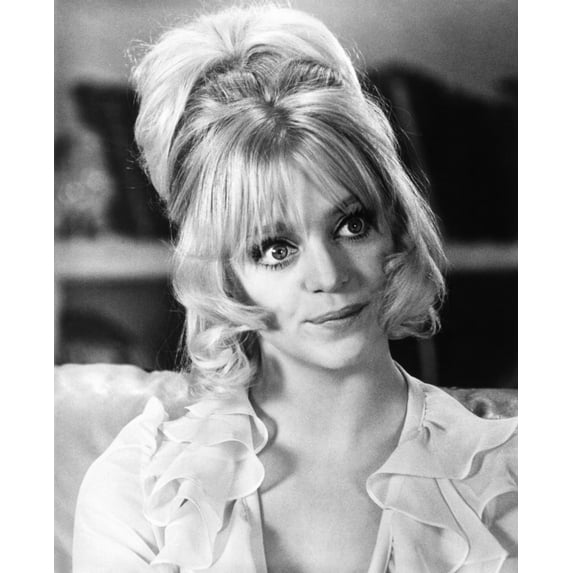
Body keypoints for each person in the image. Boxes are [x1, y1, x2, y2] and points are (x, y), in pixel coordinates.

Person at [72, 4, 517, 572]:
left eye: (351, 224)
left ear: (395, 226)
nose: (329, 275)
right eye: (275, 249)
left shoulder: (515, 477)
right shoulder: (141, 488)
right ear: (223, 274)